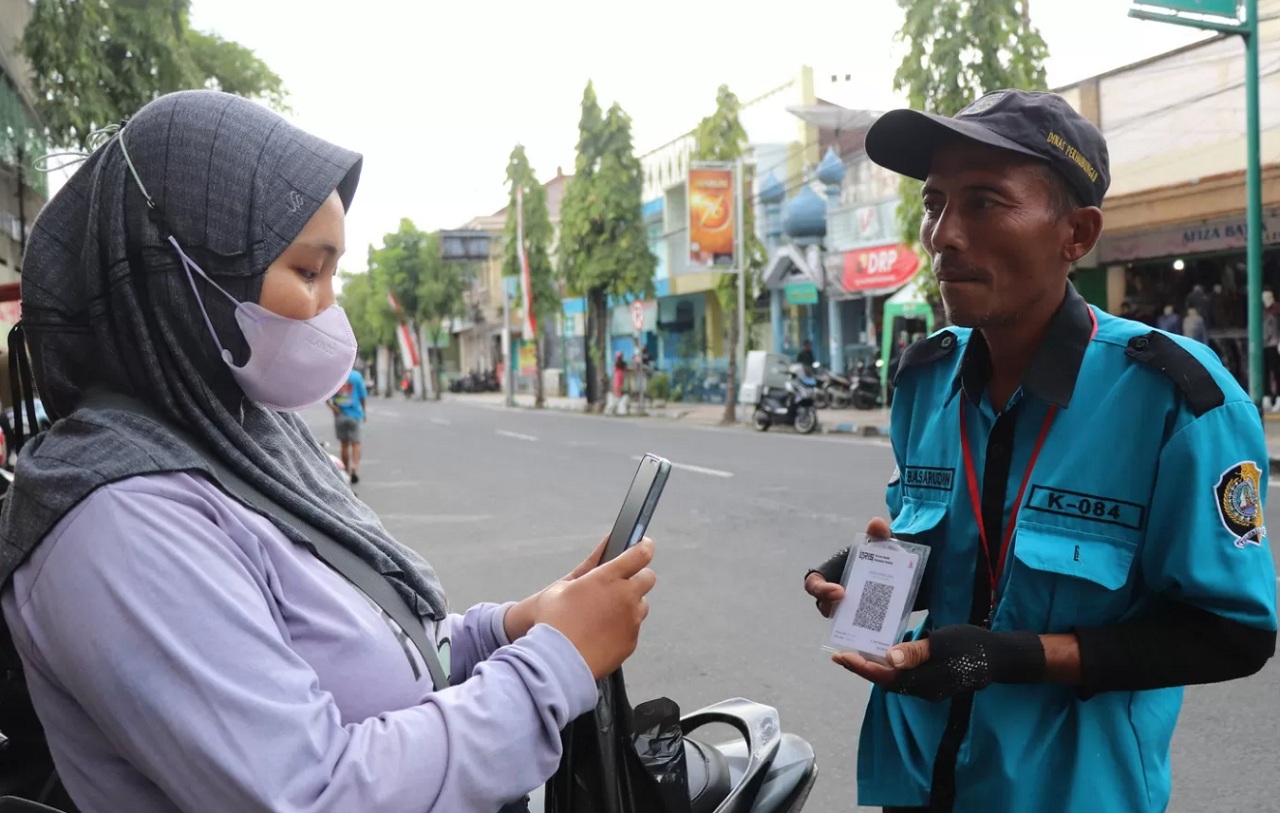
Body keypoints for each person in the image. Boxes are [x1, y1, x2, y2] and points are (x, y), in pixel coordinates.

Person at [0, 91, 657, 813]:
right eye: (309, 272)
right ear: (182, 275)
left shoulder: (243, 438)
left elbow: (383, 655)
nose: (329, 308)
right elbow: (313, 794)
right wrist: (552, 665)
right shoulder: (116, 527)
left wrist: (512, 625)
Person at [803, 89, 1276, 813]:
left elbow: (1234, 635)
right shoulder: (926, 379)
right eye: (935, 203)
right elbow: (965, 556)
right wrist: (874, 575)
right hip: (920, 775)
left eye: (985, 203)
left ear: (1076, 234)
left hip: (1070, 793)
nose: (943, 235)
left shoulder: (1177, 400)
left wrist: (1014, 657)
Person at [329, 366, 368, 484]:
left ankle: (346, 472)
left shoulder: (335, 375)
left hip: (340, 415)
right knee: (356, 444)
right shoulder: (356, 376)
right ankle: (354, 468)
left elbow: (326, 394)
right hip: (354, 415)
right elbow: (363, 396)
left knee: (344, 444)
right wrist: (364, 412)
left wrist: (332, 407)